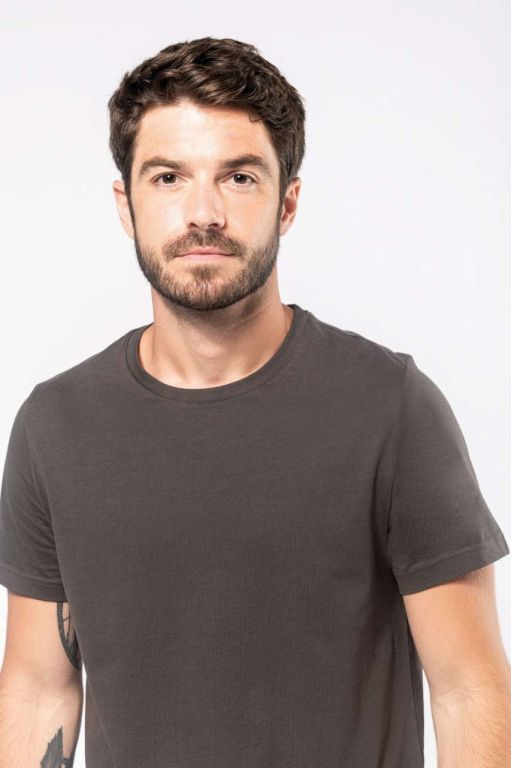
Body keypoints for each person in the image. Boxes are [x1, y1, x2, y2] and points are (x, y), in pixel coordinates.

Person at [0, 36, 509, 768]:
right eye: (168, 177)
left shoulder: (389, 408)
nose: (202, 212)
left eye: (238, 177)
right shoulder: (56, 426)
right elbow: (38, 688)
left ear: (287, 202)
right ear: (126, 204)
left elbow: (468, 687)